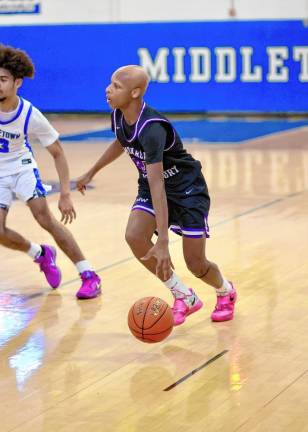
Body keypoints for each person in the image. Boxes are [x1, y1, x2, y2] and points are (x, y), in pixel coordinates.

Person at [77, 65, 236, 323]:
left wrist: (163, 240)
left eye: (116, 86)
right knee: (135, 235)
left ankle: (225, 291)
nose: (108, 89)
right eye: (110, 83)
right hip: (153, 186)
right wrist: (92, 171)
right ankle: (184, 296)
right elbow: (122, 141)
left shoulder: (152, 128)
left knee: (196, 263)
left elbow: (158, 185)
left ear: (135, 92)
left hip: (186, 190)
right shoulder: (118, 115)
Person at [0, 44, 101, 299]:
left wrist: (65, 194)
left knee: (44, 218)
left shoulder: (30, 115)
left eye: (2, 79)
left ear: (17, 82)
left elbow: (58, 152)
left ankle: (88, 274)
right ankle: (40, 254)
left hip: (22, 167)